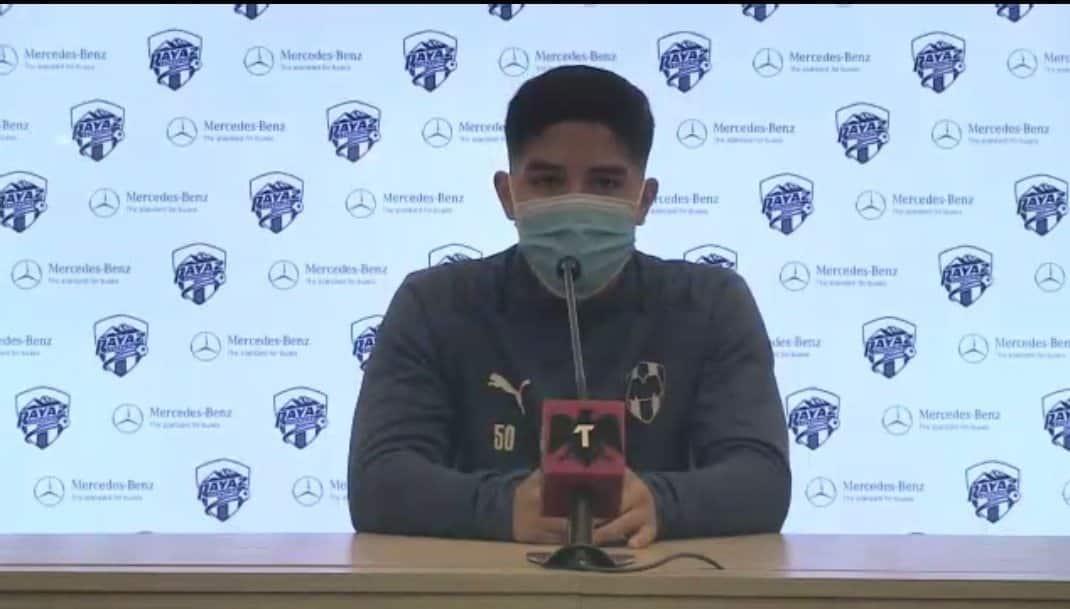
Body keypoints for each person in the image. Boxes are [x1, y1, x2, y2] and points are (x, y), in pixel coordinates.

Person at [348, 65, 790, 549]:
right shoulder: (434, 304)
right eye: (547, 181)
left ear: (644, 200)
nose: (575, 203)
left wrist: (661, 503)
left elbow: (762, 479)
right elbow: (378, 481)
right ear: (507, 194)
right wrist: (502, 507)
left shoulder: (711, 304)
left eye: (605, 184)